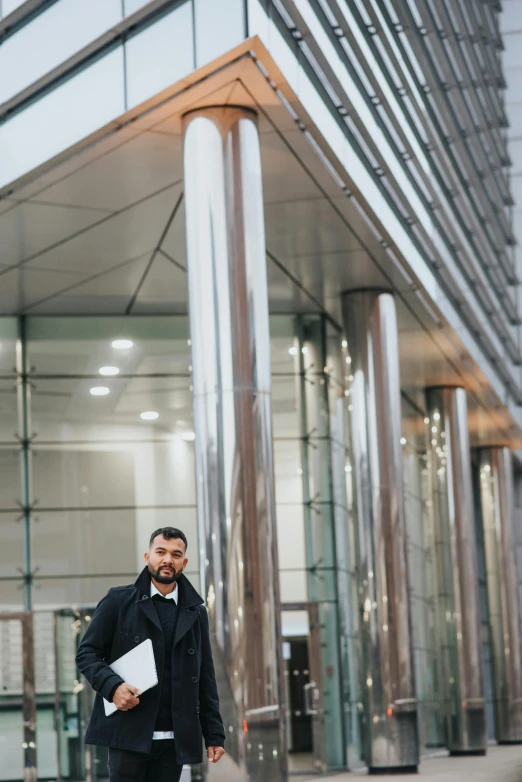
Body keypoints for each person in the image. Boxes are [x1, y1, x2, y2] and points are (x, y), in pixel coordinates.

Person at [76, 526, 226, 782]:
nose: (168, 559)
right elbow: (87, 653)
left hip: (174, 739)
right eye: (161, 552)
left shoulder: (196, 612)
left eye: (176, 554)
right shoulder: (118, 601)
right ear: (148, 558)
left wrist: (214, 735)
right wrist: (113, 688)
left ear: (184, 562)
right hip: (129, 734)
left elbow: (205, 676)